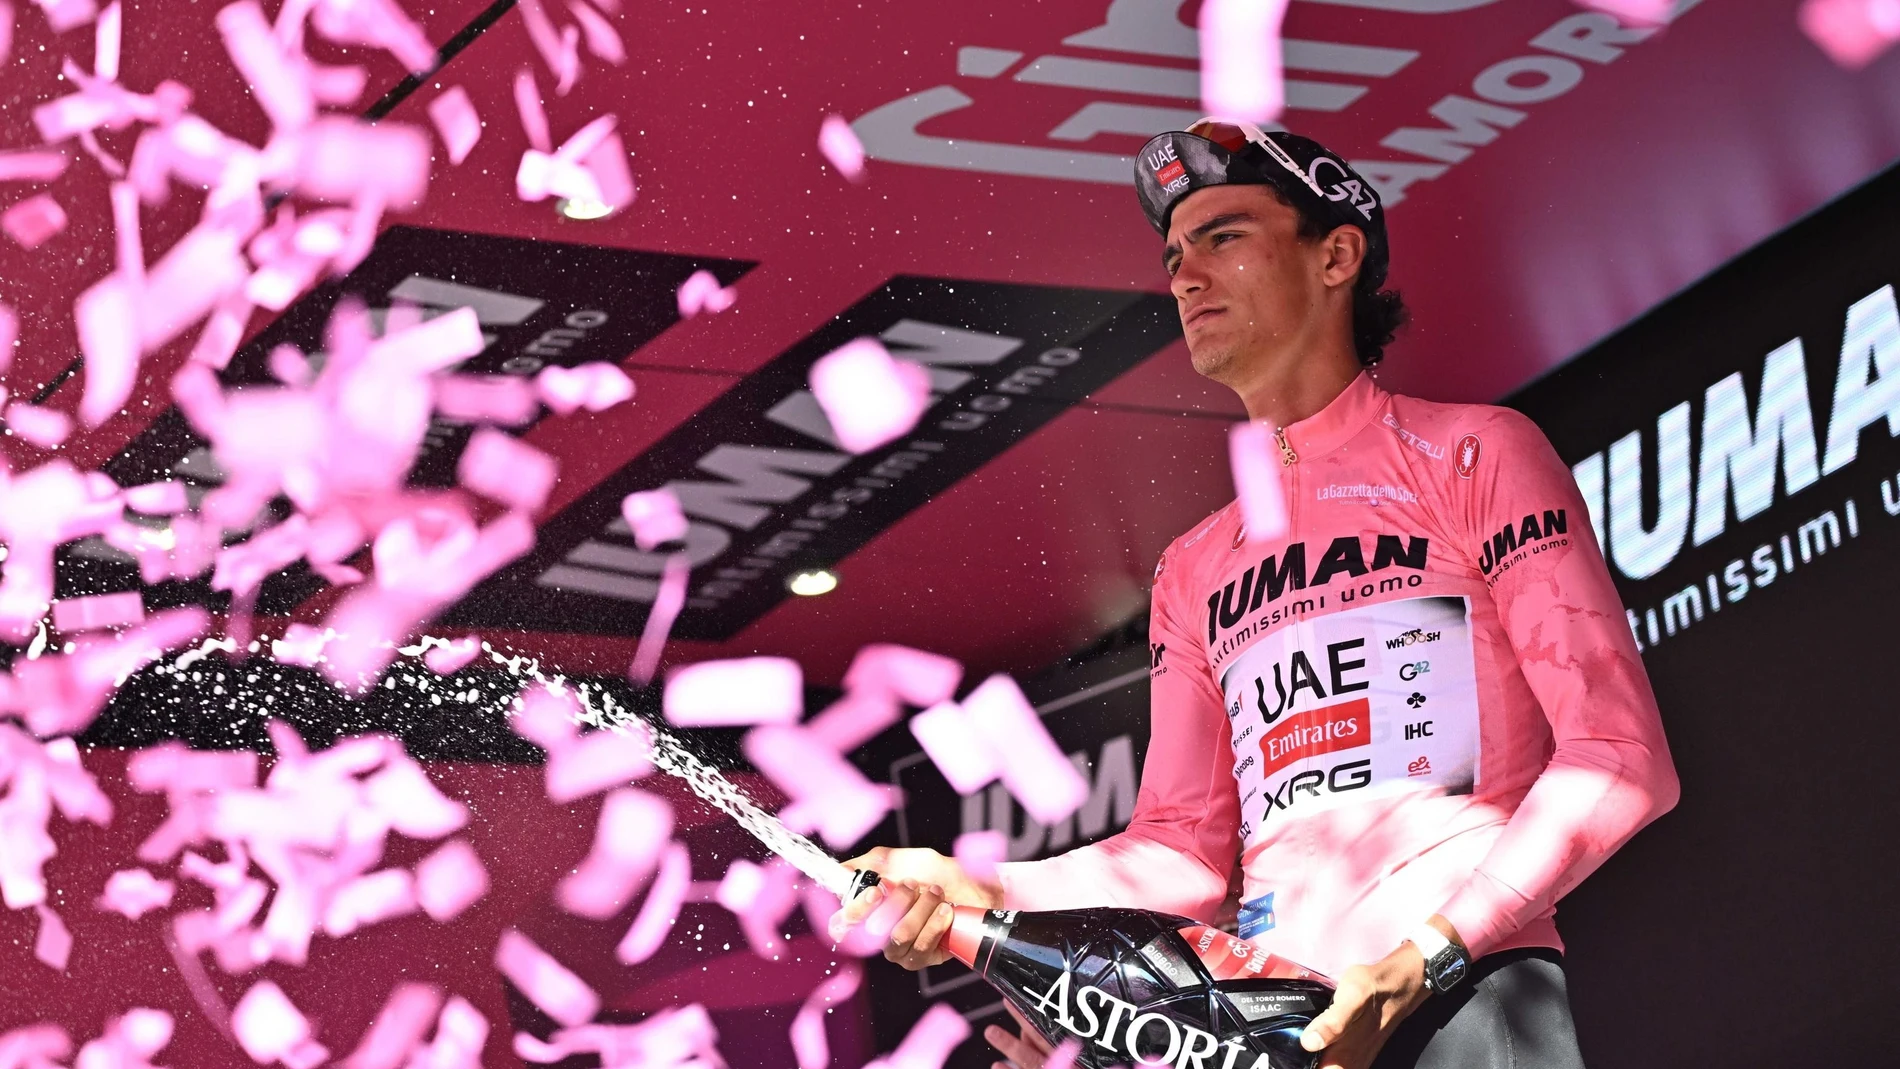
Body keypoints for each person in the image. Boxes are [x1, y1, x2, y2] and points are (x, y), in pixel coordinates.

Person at [829, 120, 1680, 1069]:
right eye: (1174, 254)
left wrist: (1422, 959)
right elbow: (1181, 856)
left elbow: (1623, 758)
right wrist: (975, 880)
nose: (1185, 276)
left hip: (1459, 996)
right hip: (1275, 1032)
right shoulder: (1194, 566)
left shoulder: (1474, 453)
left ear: (1338, 255)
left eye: (1224, 236)